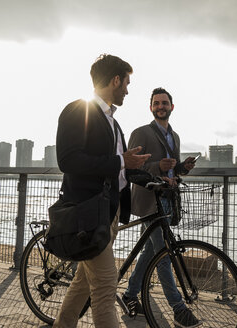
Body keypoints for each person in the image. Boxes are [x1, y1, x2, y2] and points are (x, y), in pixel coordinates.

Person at [53, 54, 151, 328]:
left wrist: (149, 176)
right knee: (106, 286)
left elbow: (118, 169)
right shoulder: (77, 110)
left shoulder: (113, 122)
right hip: (88, 213)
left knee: (83, 282)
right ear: (115, 80)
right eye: (126, 83)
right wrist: (121, 160)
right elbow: (68, 160)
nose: (128, 90)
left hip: (108, 212)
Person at [122, 87, 199, 328]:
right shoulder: (141, 133)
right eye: (156, 103)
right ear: (151, 107)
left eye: (164, 103)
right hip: (148, 200)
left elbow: (171, 170)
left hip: (167, 200)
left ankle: (128, 295)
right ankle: (178, 309)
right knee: (164, 254)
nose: (160, 106)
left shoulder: (174, 137)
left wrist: (181, 169)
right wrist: (157, 167)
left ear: (171, 107)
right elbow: (130, 169)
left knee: (151, 252)